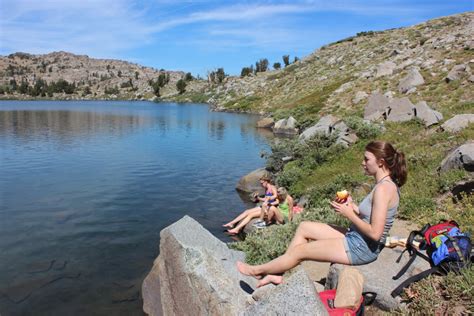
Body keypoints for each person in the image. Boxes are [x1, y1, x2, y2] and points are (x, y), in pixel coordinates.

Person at [237, 141, 407, 287]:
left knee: (300, 251)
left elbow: (376, 233)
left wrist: (349, 214)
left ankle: (257, 270)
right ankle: (277, 273)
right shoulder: (383, 184)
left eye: (366, 159)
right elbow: (372, 215)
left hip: (361, 248)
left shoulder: (384, 189)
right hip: (356, 236)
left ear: (381, 162)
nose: (363, 163)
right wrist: (353, 206)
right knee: (304, 227)